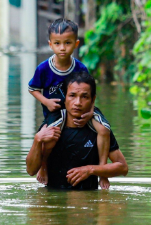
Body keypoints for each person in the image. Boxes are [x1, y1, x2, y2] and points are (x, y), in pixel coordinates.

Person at [28, 18, 112, 189]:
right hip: (56, 112)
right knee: (51, 137)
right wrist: (46, 101)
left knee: (104, 129)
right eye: (57, 43)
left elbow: (89, 90)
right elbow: (32, 88)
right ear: (50, 44)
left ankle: (103, 171)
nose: (62, 48)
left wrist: (90, 113)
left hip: (81, 111)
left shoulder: (80, 68)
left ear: (76, 44)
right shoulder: (43, 68)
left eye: (67, 43)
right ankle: (43, 167)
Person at [26, 71, 128, 190]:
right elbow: (31, 170)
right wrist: (37, 140)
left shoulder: (99, 129)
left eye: (84, 97)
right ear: (64, 97)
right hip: (53, 201)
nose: (78, 103)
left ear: (92, 99)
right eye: (72, 95)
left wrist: (90, 170)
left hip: (88, 201)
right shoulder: (52, 126)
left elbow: (123, 168)